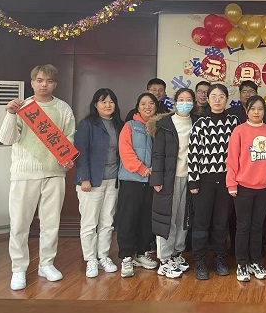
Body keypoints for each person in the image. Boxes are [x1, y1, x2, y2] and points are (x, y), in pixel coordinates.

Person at [0, 64, 76, 291]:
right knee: (19, 223)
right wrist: (10, 114)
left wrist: (67, 158)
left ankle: (46, 264)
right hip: (24, 173)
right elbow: (6, 139)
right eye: (40, 80)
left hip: (54, 173)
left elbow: (69, 138)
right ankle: (18, 268)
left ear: (55, 84)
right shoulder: (23, 107)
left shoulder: (63, 108)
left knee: (51, 223)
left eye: (49, 81)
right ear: (32, 83)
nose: (44, 85)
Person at [188, 83, 239, 280]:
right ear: (207, 100)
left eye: (221, 96)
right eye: (214, 96)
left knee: (221, 222)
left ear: (227, 99)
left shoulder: (234, 122)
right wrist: (194, 182)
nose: (217, 100)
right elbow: (193, 153)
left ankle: (220, 258)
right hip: (204, 181)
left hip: (227, 181)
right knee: (201, 222)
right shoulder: (200, 123)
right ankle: (200, 261)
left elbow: (239, 153)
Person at [226, 96, 266, 282]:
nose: (256, 112)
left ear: (264, 112)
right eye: (253, 109)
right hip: (243, 187)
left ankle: (255, 261)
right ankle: (241, 263)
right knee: (243, 226)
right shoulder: (239, 131)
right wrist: (231, 184)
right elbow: (232, 159)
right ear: (246, 111)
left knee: (258, 226)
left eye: (260, 109)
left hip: (264, 187)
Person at [149, 88, 197, 278]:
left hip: (190, 178)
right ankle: (164, 259)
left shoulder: (197, 123)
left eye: (188, 99)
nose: (185, 103)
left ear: (193, 103)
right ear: (175, 103)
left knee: (183, 219)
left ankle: (177, 253)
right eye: (181, 99)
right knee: (167, 218)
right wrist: (157, 179)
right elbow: (157, 154)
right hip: (169, 178)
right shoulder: (165, 124)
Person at [74, 88, 123, 278]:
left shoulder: (118, 124)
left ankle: (103, 256)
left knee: (107, 222)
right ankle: (90, 259)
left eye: (111, 101)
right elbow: (81, 153)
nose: (108, 105)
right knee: (89, 222)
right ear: (96, 105)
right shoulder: (87, 124)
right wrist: (84, 178)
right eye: (103, 102)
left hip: (113, 180)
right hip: (92, 182)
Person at [117, 92, 160, 278]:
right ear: (138, 107)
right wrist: (142, 169)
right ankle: (127, 256)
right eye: (143, 104)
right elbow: (125, 151)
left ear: (156, 107)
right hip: (132, 180)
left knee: (146, 219)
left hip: (151, 183)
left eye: (151, 103)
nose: (147, 107)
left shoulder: (159, 127)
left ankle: (142, 253)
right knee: (128, 218)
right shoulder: (130, 126)